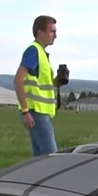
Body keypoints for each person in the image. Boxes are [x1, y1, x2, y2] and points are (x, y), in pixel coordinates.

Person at [14, 15, 68, 156]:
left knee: (40, 157)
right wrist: (25, 111)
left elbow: (41, 83)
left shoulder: (41, 53)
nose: (55, 36)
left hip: (38, 111)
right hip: (35, 112)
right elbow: (18, 79)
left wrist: (58, 81)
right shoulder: (34, 51)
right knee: (51, 156)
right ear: (40, 32)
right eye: (52, 31)